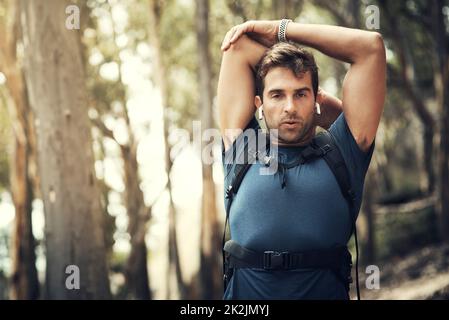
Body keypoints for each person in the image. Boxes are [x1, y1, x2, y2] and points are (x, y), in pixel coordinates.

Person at [217, 19, 386, 300]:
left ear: (316, 98)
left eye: (301, 94)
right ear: (258, 103)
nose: (290, 107)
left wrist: (280, 30)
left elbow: (370, 47)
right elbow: (237, 48)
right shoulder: (241, 147)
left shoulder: (345, 149)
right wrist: (290, 68)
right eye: (276, 95)